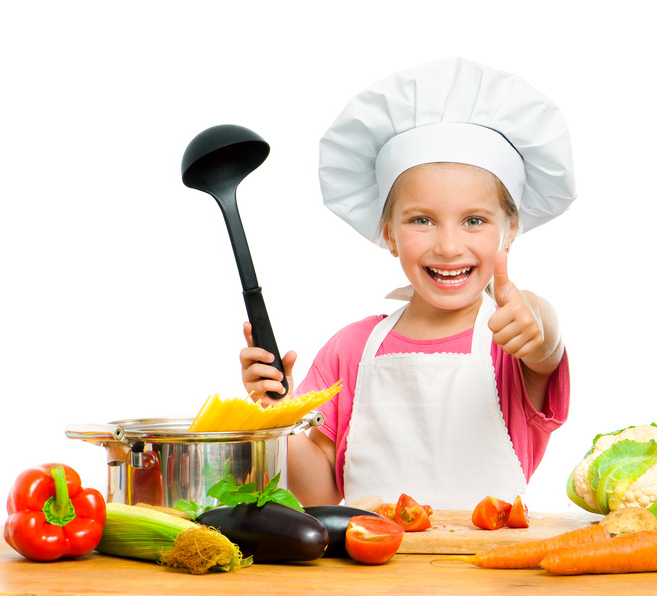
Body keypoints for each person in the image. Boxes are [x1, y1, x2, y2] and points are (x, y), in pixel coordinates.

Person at [240, 57, 577, 510]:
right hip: (373, 573)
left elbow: (545, 345)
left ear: (510, 230)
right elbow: (317, 495)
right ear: (389, 234)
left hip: (490, 575)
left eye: (474, 220)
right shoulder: (349, 350)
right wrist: (278, 417)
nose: (449, 246)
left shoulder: (512, 339)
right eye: (422, 220)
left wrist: (540, 320)